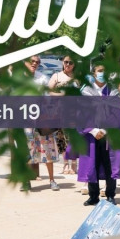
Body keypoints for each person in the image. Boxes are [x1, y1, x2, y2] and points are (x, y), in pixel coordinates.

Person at [78, 63, 120, 206]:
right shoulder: (86, 92)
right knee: (92, 165)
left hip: (108, 135)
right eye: (100, 71)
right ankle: (93, 196)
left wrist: (105, 130)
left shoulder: (113, 92)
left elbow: (116, 114)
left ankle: (110, 194)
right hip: (91, 136)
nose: (103, 73)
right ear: (93, 73)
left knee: (110, 165)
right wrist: (93, 130)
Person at [24, 55, 59, 191]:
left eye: (37, 62)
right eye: (32, 61)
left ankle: (52, 180)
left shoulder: (42, 78)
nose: (34, 64)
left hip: (41, 117)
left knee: (47, 148)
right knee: (28, 149)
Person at [48, 55, 80, 176]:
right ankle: (65, 163)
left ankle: (74, 164)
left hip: (75, 112)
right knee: (61, 138)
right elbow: (49, 91)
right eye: (66, 62)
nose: (68, 64)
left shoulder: (77, 78)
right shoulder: (56, 76)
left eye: (70, 62)